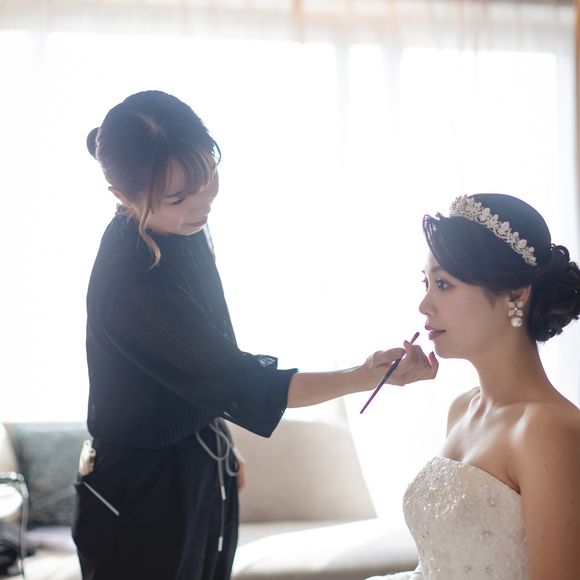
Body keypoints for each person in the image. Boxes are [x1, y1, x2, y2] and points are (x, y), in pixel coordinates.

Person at [72, 90, 438, 580]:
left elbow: (201, 359)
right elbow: (242, 380)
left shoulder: (179, 226)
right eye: (179, 197)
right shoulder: (133, 285)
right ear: (123, 196)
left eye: (208, 178)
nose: (202, 204)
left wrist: (218, 440)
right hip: (139, 492)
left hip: (200, 457)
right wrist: (364, 375)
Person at [368, 193, 580, 580]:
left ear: (515, 293)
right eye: (426, 283)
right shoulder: (462, 409)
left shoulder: (547, 430)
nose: (424, 305)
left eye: (443, 284)